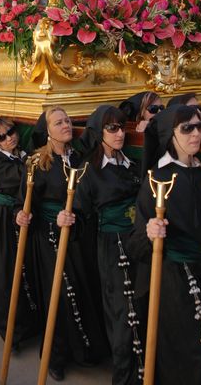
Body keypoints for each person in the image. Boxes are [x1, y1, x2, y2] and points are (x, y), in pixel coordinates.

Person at [129, 104, 201, 384]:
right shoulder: (156, 180)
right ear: (169, 135)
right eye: (186, 128)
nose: (196, 134)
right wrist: (150, 231)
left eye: (199, 126)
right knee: (193, 356)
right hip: (180, 281)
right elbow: (136, 245)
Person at [16, 107, 108, 381]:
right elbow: (24, 203)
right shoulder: (37, 163)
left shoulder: (81, 157)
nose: (66, 125)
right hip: (50, 237)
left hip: (81, 233)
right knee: (59, 295)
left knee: (83, 289)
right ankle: (56, 356)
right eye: (59, 122)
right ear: (47, 131)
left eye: (68, 121)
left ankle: (87, 350)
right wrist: (20, 214)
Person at [59, 105, 144, 384]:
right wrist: (67, 219)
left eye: (122, 127)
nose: (120, 134)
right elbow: (81, 216)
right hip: (112, 247)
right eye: (112, 128)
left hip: (139, 244)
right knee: (123, 313)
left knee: (142, 308)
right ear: (98, 132)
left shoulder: (131, 163)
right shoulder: (87, 171)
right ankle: (124, 376)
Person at [0, 117, 37, 346]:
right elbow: (18, 179)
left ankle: (30, 324)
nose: (9, 138)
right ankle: (11, 330)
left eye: (11, 132)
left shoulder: (23, 154)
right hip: (2, 217)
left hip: (22, 214)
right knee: (5, 269)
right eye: (2, 137)